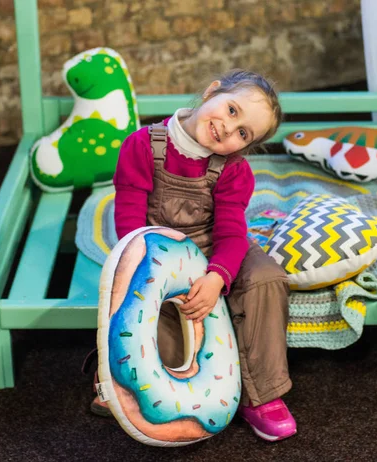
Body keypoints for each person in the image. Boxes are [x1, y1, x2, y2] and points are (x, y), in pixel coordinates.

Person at [91, 69, 296, 442]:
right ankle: (117, 373)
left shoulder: (232, 170)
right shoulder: (142, 146)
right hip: (156, 248)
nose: (228, 130)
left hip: (214, 247)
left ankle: (263, 395)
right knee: (157, 320)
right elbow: (131, 226)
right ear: (211, 91)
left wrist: (217, 276)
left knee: (267, 278)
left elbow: (232, 234)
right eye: (231, 110)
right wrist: (159, 274)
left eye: (243, 134)